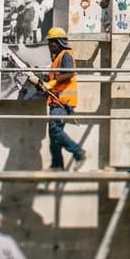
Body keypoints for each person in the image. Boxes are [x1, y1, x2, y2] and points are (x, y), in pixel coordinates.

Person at [38, 27, 86, 169]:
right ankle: (57, 165)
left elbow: (69, 73)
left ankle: (78, 152)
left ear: (58, 42)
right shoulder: (57, 58)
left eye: (51, 43)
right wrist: (43, 83)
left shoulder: (65, 54)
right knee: (54, 136)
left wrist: (52, 82)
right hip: (57, 101)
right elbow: (56, 78)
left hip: (63, 102)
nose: (49, 46)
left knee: (54, 130)